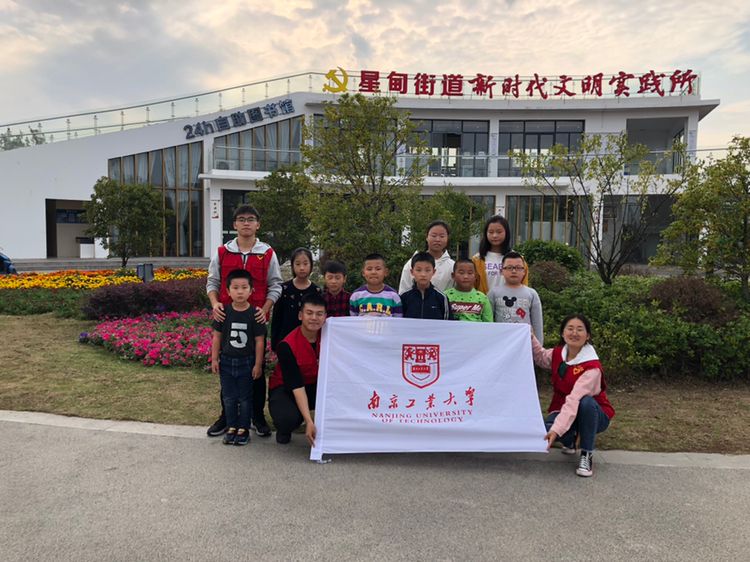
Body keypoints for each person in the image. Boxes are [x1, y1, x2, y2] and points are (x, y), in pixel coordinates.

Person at [205, 204, 282, 438]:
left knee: (256, 369)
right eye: (241, 219)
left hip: (255, 321)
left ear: (258, 224)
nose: (246, 223)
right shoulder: (222, 252)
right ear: (234, 224)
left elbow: (276, 285)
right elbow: (212, 282)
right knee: (228, 370)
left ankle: (257, 416)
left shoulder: (267, 253)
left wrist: (265, 309)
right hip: (228, 320)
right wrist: (215, 304)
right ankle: (226, 417)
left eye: (250, 219)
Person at [531, 314, 615, 477]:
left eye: (579, 329)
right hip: (563, 409)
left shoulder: (592, 367)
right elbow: (541, 357)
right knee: (543, 429)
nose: (574, 333)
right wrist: (530, 337)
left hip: (593, 415)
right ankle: (571, 439)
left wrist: (557, 430)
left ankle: (586, 454)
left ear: (587, 336)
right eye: (570, 328)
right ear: (563, 333)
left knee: (586, 402)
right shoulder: (558, 353)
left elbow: (574, 399)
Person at [210, 270, 266, 446]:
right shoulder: (223, 312)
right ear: (228, 291)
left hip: (247, 362)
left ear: (251, 290)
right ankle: (231, 426)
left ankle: (244, 428)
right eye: (235, 288)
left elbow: (260, 341)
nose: (240, 291)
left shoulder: (255, 314)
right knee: (229, 397)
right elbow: (217, 337)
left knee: (245, 397)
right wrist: (214, 359)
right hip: (227, 362)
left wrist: (258, 364)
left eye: (244, 287)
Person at [268, 293, 327, 445]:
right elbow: (296, 385)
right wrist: (309, 421)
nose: (314, 318)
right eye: (309, 313)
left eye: (319, 314)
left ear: (325, 317)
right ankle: (286, 425)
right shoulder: (287, 345)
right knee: (287, 419)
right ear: (300, 315)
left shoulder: (329, 338)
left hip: (316, 385)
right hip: (288, 387)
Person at [270, 248, 321, 350]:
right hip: (285, 341)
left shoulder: (316, 291)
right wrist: (274, 344)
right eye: (298, 264)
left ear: (311, 265)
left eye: (305, 264)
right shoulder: (284, 289)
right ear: (292, 266)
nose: (302, 268)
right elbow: (276, 318)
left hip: (309, 342)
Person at [488, 251, 544, 343]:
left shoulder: (531, 293)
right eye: (509, 267)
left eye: (518, 268)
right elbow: (488, 321)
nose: (514, 271)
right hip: (501, 342)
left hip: (524, 343)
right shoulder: (493, 293)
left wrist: (539, 345)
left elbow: (537, 323)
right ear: (502, 271)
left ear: (524, 271)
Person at [472, 215, 527, 294]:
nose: (495, 235)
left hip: (510, 301)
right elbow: (472, 286)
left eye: (499, 232)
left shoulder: (518, 259)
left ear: (506, 233)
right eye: (491, 232)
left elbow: (524, 286)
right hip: (484, 301)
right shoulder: (477, 259)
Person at [398, 220, 455, 293]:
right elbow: (403, 290)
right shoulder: (413, 263)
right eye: (434, 236)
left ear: (447, 238)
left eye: (442, 236)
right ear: (427, 237)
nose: (437, 239)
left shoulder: (452, 266)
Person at [400, 252, 452, 320]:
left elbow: (447, 322)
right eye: (418, 270)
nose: (423, 274)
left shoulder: (442, 298)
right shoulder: (404, 297)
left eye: (427, 270)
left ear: (433, 272)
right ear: (412, 272)